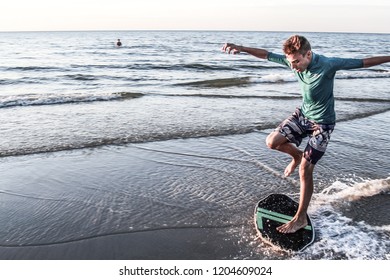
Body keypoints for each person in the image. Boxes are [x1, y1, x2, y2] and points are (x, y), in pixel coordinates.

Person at [222, 35, 390, 233]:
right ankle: (297, 155)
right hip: (302, 116)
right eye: (290, 62)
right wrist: (240, 48)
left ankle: (300, 218)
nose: (293, 67)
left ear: (308, 54)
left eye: (296, 62)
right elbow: (266, 55)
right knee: (272, 141)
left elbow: (363, 62)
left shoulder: (328, 64)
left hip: (323, 125)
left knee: (305, 170)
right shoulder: (292, 59)